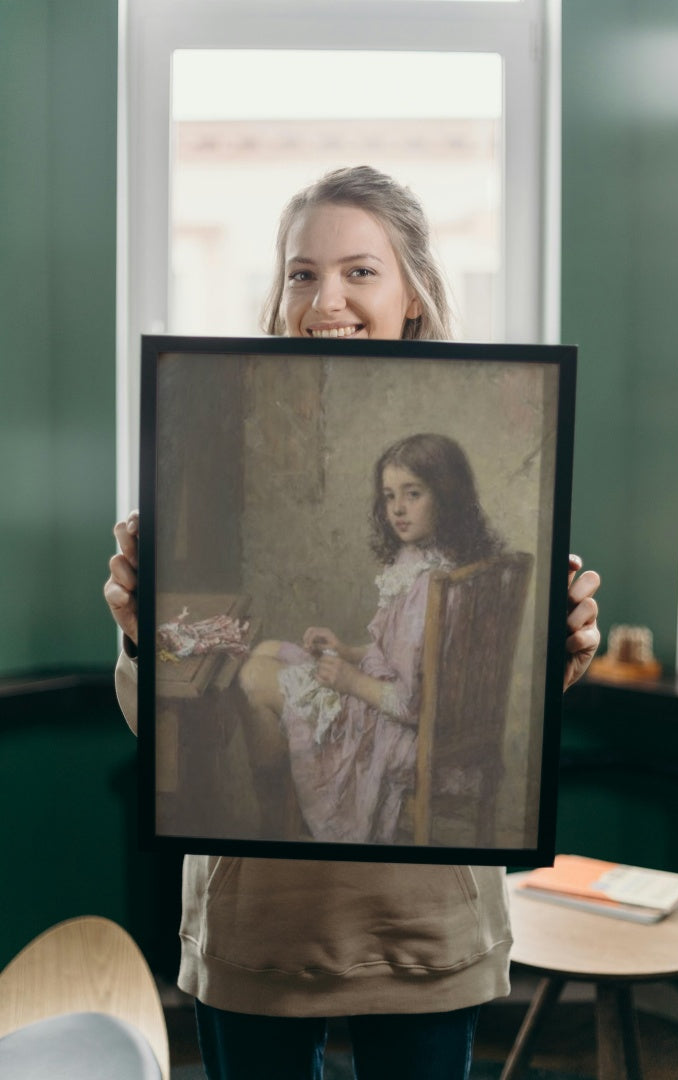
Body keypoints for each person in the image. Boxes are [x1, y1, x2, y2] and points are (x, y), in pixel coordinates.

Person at [105, 165, 601, 1080]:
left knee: (271, 674)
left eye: (359, 271)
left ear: (413, 291)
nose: (324, 297)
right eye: (301, 272)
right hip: (259, 927)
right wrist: (139, 637)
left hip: (419, 924)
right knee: (256, 668)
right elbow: (162, 732)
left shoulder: (469, 558)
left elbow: (459, 701)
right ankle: (278, 805)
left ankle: (294, 790)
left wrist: (559, 656)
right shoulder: (193, 404)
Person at [241, 432, 502, 845]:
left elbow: (410, 702)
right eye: (389, 496)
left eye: (412, 494)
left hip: (404, 733)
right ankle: (282, 814)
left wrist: (347, 679)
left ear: (447, 495)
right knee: (265, 650)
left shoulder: (431, 588)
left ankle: (277, 820)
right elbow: (410, 659)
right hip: (414, 714)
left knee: (255, 678)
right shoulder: (441, 562)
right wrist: (347, 652)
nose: (397, 508)